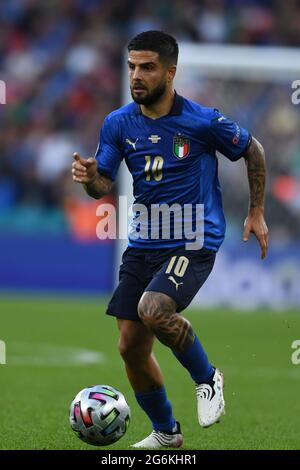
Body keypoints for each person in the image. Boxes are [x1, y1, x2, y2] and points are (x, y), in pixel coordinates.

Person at [72, 30, 268, 449]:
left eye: (147, 67)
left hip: (193, 240)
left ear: (170, 71)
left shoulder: (202, 121)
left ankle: (207, 377)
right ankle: (166, 433)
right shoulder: (118, 122)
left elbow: (254, 150)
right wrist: (91, 179)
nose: (136, 76)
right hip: (143, 244)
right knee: (129, 346)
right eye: (131, 67)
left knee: (153, 309)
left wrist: (255, 212)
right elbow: (103, 184)